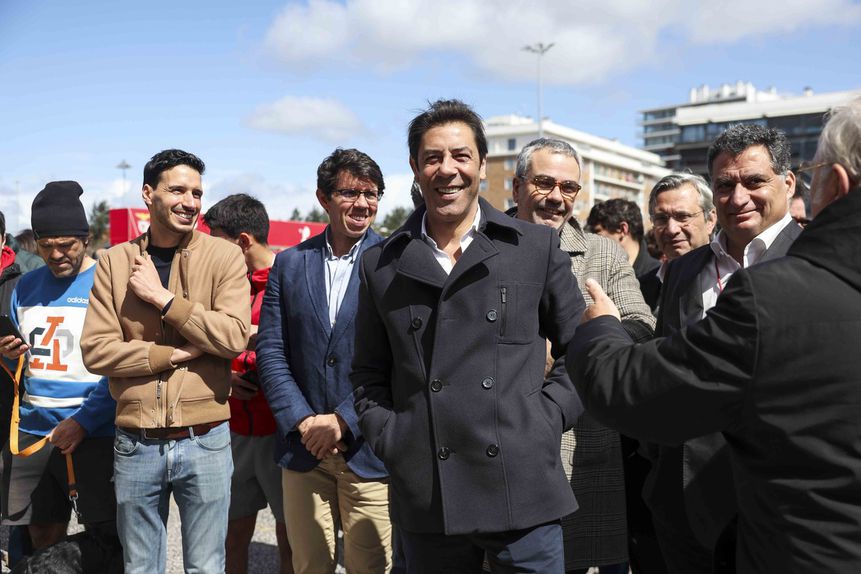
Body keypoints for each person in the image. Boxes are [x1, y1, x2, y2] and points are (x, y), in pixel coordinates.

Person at [568, 96, 861, 573]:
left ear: (789, 183)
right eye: (725, 185)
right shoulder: (684, 270)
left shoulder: (815, 265)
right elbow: (667, 363)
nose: (738, 197)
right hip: (681, 504)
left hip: (770, 510)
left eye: (754, 181)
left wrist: (602, 327)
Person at [351, 100, 586, 573]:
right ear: (414, 168)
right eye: (432, 158)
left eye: (461, 156)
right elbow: (367, 372)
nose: (447, 170)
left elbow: (582, 351)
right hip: (429, 490)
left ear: (482, 164)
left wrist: (546, 419)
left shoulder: (533, 247)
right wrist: (393, 438)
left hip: (522, 484)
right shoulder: (382, 263)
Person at [81, 149, 250, 574]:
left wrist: (165, 300)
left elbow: (233, 336)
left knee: (206, 566)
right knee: (140, 567)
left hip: (206, 438)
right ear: (148, 193)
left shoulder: (225, 256)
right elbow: (96, 350)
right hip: (135, 441)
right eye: (177, 190)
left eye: (197, 193)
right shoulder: (114, 262)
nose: (190, 202)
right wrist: (167, 355)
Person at [510, 138, 654, 574]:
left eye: (569, 187)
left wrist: (590, 338)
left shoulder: (602, 253)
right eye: (544, 183)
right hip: (497, 449)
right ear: (516, 187)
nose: (557, 197)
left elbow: (642, 325)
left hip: (578, 451)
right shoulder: (479, 244)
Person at [256, 148, 391, 574]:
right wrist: (303, 421)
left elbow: (400, 359)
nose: (363, 204)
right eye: (350, 193)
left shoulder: (395, 262)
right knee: (309, 565)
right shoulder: (289, 264)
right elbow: (271, 351)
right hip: (304, 450)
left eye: (372, 194)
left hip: (368, 449)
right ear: (323, 198)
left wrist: (343, 421)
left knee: (372, 566)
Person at [0, 182, 117, 552]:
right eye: (46, 245)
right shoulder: (24, 286)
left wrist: (84, 422)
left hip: (95, 433)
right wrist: (7, 353)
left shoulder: (109, 284)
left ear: (86, 238)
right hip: (33, 433)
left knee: (105, 542)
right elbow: (18, 366)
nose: (56, 255)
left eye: (66, 245)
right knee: (41, 537)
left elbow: (122, 367)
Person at [203, 194, 293, 574]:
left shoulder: (292, 279)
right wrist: (224, 379)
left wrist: (257, 340)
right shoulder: (223, 285)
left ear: (242, 241)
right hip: (233, 431)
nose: (210, 253)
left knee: (292, 543)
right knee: (232, 539)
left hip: (282, 435)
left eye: (216, 243)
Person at [638, 173, 717, 310]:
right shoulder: (641, 290)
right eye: (662, 219)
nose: (671, 229)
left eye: (682, 216)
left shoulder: (733, 279)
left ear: (710, 220)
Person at [587, 198, 660, 280]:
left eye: (597, 232)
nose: (592, 240)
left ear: (622, 229)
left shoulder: (659, 276)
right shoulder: (595, 274)